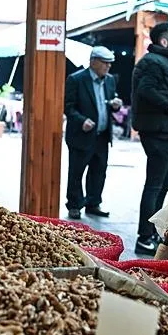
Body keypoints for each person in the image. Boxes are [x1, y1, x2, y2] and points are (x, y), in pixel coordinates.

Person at [131, 22, 168, 256]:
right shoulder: (153, 62)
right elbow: (146, 90)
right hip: (156, 131)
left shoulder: (159, 61)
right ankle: (145, 238)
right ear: (164, 42)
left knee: (165, 182)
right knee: (155, 184)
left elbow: (160, 88)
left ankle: (152, 231)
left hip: (161, 130)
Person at [64, 46, 123, 220]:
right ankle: (74, 205)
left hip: (102, 135)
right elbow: (68, 106)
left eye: (110, 63)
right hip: (81, 135)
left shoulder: (110, 80)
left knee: (99, 171)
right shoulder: (76, 79)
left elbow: (109, 103)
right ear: (93, 62)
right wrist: (81, 120)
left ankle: (93, 203)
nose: (108, 66)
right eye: (105, 62)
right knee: (76, 172)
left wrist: (115, 105)